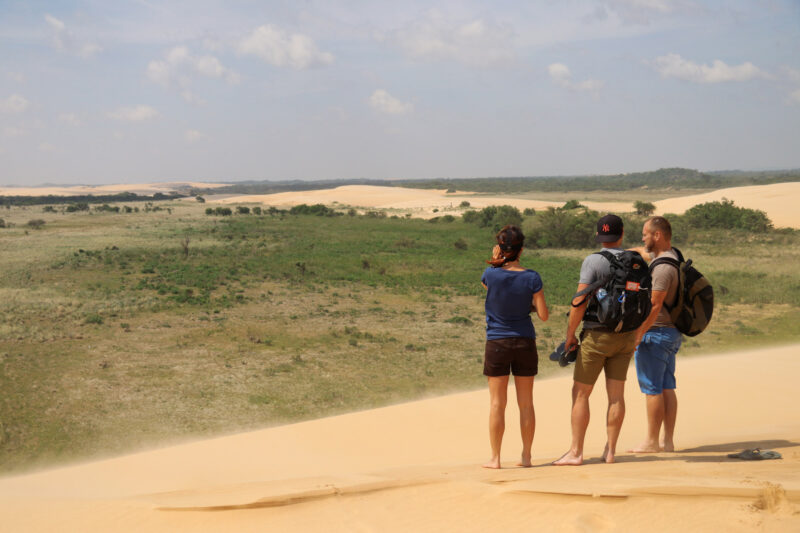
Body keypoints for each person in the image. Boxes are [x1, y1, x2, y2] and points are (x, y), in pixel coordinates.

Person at [554, 214, 637, 466]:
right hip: (626, 336)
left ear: (599, 236)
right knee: (616, 396)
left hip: (597, 335)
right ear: (622, 234)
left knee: (580, 394)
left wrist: (569, 337)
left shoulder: (593, 261)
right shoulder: (634, 260)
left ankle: (576, 452)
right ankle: (610, 451)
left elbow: (579, 302)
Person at [481, 225, 549, 469]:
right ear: (522, 249)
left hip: (497, 342)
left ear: (500, 248)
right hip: (524, 341)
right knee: (526, 403)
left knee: (498, 404)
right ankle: (527, 456)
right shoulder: (532, 277)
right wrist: (529, 304)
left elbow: (492, 290)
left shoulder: (490, 274)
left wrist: (497, 262)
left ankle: (496, 458)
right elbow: (543, 315)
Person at [628, 216, 682, 453]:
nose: (643, 238)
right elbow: (643, 250)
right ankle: (667, 441)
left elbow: (655, 305)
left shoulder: (661, 269)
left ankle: (651, 441)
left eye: (646, 233)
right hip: (671, 333)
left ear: (657, 235)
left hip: (655, 334)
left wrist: (639, 334)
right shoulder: (674, 257)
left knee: (652, 389)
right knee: (667, 386)